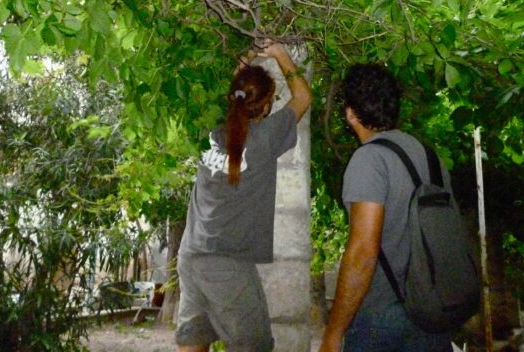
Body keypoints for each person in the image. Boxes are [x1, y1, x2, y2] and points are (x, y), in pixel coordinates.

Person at [175, 41, 312, 352]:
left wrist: (249, 55)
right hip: (227, 263)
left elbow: (237, 88)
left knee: (194, 338)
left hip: (191, 255)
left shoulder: (209, 131)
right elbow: (303, 96)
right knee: (255, 346)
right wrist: (280, 54)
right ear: (264, 107)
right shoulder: (264, 137)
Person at [319, 63, 452, 352]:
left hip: (383, 319)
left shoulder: (369, 159)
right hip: (434, 312)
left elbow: (364, 251)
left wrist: (333, 332)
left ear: (351, 114)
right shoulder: (431, 158)